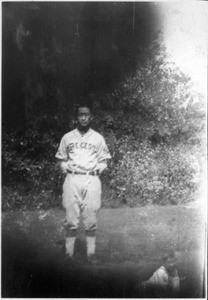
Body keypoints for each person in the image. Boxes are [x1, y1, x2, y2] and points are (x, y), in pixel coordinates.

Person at [55, 103, 111, 264]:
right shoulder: (68, 137)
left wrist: (97, 171)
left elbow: (104, 160)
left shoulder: (98, 138)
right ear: (77, 117)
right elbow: (61, 158)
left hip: (91, 179)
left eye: (86, 115)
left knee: (91, 218)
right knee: (71, 218)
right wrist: (66, 168)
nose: (84, 118)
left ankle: (91, 254)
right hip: (72, 179)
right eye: (81, 115)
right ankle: (69, 254)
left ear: (91, 117)